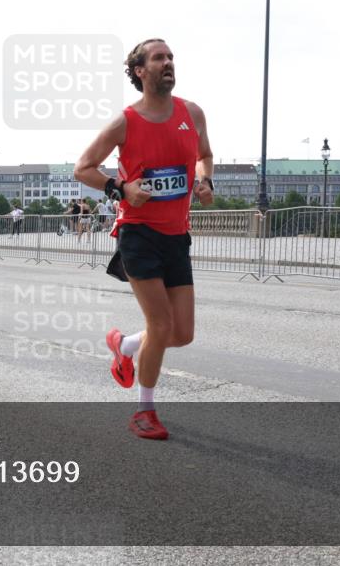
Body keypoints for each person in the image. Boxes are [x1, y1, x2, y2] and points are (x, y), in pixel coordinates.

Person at [74, 38, 214, 440]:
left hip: (176, 235)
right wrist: (121, 188)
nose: (168, 63)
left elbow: (205, 155)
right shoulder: (125, 122)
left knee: (182, 333)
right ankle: (144, 409)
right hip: (138, 234)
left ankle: (126, 345)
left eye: (170, 57)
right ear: (140, 71)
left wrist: (204, 182)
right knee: (162, 322)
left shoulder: (192, 113)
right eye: (159, 58)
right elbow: (83, 168)